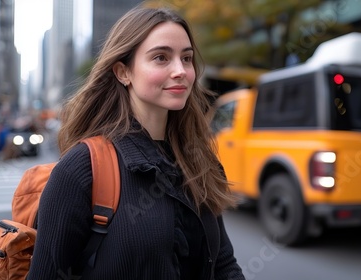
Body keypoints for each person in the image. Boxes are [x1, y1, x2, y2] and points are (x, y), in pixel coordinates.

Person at [27, 5, 244, 280]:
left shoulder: (200, 160)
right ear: (123, 72)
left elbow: (224, 265)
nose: (181, 71)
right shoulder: (82, 169)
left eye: (186, 58)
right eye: (161, 58)